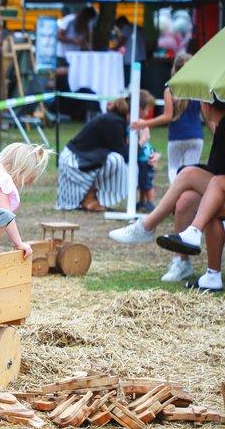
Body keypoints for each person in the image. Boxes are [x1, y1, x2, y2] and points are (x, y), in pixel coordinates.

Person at [109, 97, 225, 284]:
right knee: (185, 200)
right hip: (219, 189)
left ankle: (147, 226)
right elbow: (217, 169)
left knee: (188, 174)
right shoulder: (220, 127)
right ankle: (182, 262)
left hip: (221, 188)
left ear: (206, 106)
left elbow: (218, 175)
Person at [55, 91, 155, 212]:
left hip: (85, 158)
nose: (147, 113)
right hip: (74, 162)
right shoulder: (114, 122)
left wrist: (152, 153)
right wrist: (143, 140)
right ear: (138, 109)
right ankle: (89, 194)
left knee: (115, 160)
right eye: (146, 109)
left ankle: (91, 195)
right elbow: (125, 155)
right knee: (116, 161)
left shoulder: (116, 120)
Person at [130, 53, 203, 183]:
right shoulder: (199, 88)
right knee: (191, 175)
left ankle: (175, 201)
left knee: (174, 173)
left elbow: (167, 117)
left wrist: (144, 123)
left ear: (175, 69)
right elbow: (206, 115)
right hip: (196, 137)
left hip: (176, 138)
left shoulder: (170, 90)